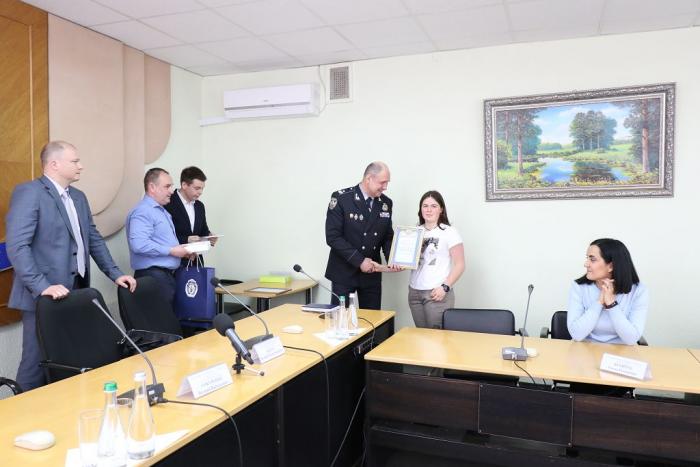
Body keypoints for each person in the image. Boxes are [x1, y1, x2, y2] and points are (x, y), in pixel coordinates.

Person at [6, 141, 136, 391]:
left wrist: (115, 274)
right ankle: (20, 413)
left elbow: (93, 239)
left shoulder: (78, 197)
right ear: (54, 164)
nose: (81, 166)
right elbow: (17, 246)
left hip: (75, 290)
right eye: (75, 161)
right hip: (42, 295)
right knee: (35, 363)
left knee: (70, 358)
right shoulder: (29, 192)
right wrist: (42, 286)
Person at [325, 162, 399, 310]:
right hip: (344, 272)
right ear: (369, 178)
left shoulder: (386, 203)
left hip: (372, 273)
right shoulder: (342, 198)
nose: (385, 187)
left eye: (387, 183)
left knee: (373, 319)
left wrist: (394, 259)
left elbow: (387, 237)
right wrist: (360, 261)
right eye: (382, 182)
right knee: (342, 319)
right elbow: (333, 237)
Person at [126, 168, 194, 305]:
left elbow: (162, 242)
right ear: (152, 187)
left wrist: (182, 252)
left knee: (168, 317)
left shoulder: (160, 210)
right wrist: (172, 251)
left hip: (164, 277)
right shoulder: (143, 211)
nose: (171, 191)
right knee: (161, 318)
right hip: (153, 277)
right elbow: (139, 245)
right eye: (167, 186)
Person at [567, 238, 648, 345]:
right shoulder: (579, 287)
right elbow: (576, 334)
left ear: (611, 266)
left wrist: (611, 304)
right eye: (587, 258)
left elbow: (631, 339)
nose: (586, 264)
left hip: (621, 351)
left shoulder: (638, 291)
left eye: (592, 259)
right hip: (585, 348)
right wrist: (599, 302)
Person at [408, 191, 465, 329]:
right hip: (414, 292)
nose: (428, 210)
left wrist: (445, 287)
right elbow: (405, 261)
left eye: (433, 206)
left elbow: (460, 264)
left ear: (441, 209)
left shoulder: (449, 232)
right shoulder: (414, 232)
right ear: (420, 209)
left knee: (437, 338)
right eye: (425, 206)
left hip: (437, 293)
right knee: (422, 336)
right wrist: (380, 267)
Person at [164, 166, 217, 250]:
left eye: (202, 188)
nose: (200, 192)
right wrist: (186, 239)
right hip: (174, 256)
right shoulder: (167, 202)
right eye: (197, 188)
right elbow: (161, 236)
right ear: (184, 185)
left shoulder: (200, 206)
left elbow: (203, 231)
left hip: (196, 257)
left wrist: (209, 237)